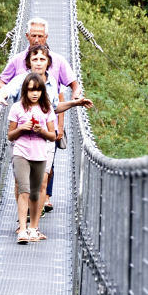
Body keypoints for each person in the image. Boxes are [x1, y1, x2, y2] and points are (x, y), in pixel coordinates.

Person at [20, 44, 92, 213]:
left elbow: (54, 107)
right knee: (24, 183)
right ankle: (24, 222)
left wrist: (75, 103)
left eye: (42, 59)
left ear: (48, 63)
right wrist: (0, 96)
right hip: (25, 138)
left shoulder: (52, 84)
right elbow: (7, 91)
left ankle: (34, 223)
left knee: (42, 181)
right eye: (35, 59)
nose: (38, 63)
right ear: (29, 62)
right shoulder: (21, 81)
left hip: (46, 137)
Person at [8, 73, 57, 243]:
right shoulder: (17, 108)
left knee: (35, 195)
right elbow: (10, 135)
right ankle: (22, 230)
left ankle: (33, 228)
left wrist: (42, 131)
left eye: (37, 90)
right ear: (25, 91)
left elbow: (52, 135)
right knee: (24, 190)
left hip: (39, 154)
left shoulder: (47, 109)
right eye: (30, 90)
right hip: (21, 153)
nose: (34, 94)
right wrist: (22, 128)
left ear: (43, 92)